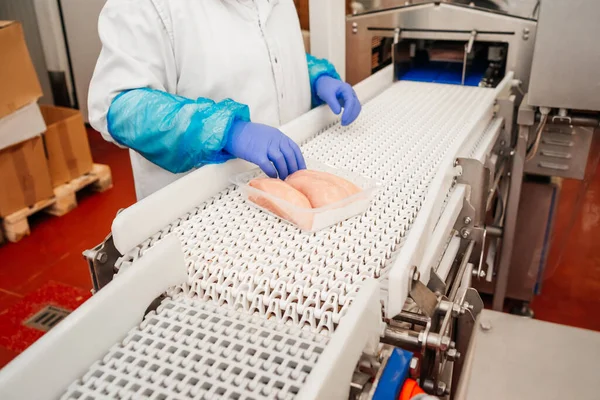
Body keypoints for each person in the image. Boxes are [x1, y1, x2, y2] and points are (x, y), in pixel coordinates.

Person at [88, 0, 362, 200]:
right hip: (200, 217)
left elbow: (265, 56)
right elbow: (121, 106)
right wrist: (226, 131)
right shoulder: (147, 6)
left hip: (288, 196)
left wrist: (315, 78)